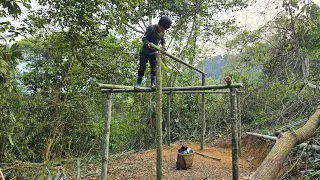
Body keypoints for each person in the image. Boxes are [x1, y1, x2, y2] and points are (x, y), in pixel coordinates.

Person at [134, 16, 172, 89]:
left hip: (154, 52)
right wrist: (148, 44)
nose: (163, 30)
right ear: (159, 24)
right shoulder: (151, 28)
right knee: (142, 68)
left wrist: (164, 47)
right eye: (162, 28)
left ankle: (153, 84)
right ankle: (138, 83)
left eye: (164, 29)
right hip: (144, 52)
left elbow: (163, 41)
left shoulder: (162, 32)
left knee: (154, 68)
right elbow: (144, 38)